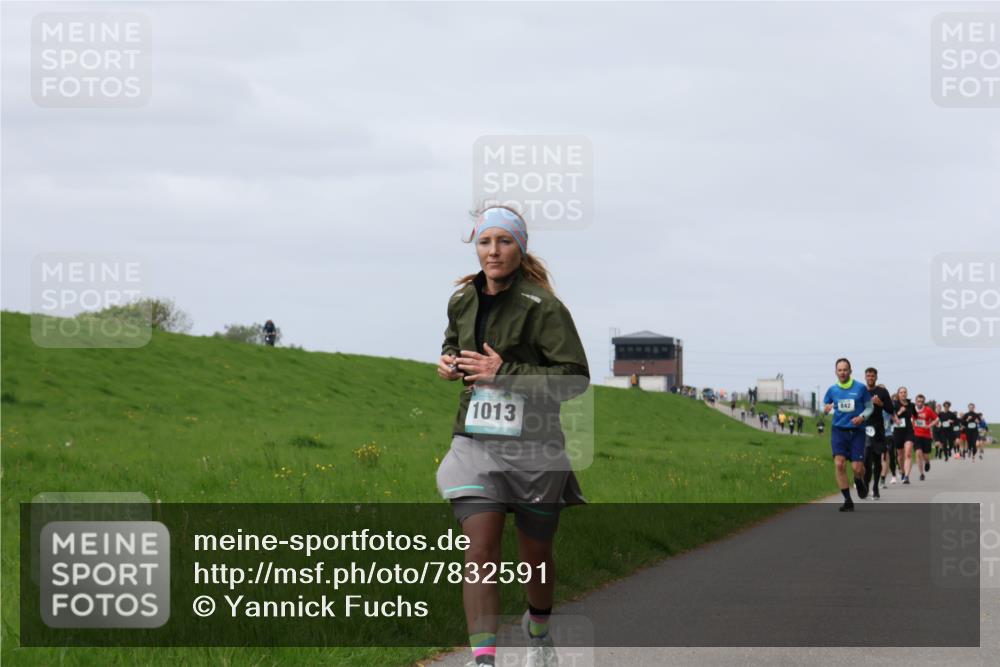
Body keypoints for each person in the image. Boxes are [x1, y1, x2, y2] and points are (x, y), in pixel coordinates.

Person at [436, 206, 589, 667]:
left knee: (535, 556)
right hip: (476, 440)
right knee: (479, 548)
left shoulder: (545, 308)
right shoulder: (462, 300)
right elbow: (453, 342)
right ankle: (483, 659)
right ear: (475, 246)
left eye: (504, 241)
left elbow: (574, 379)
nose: (493, 251)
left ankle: (538, 631)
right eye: (485, 241)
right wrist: (447, 361)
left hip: (535, 446)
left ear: (521, 248)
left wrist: (506, 374)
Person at [822, 358, 873, 512]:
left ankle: (859, 479)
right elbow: (825, 405)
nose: (842, 372)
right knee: (839, 464)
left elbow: (870, 408)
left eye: (845, 370)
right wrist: (826, 408)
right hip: (838, 431)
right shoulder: (832, 390)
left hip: (857, 431)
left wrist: (862, 417)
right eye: (840, 370)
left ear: (850, 371)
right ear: (836, 372)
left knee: (857, 468)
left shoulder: (860, 388)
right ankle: (847, 500)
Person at [861, 368, 896, 500]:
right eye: (868, 376)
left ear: (876, 377)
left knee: (876, 458)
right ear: (865, 377)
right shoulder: (861, 391)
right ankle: (865, 484)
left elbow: (891, 409)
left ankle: (875, 487)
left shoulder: (882, 391)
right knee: (866, 458)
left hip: (878, 428)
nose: (870, 378)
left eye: (872, 376)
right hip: (864, 427)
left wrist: (880, 403)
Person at [892, 388, 918, 484]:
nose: (903, 394)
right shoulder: (894, 404)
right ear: (898, 394)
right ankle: (902, 471)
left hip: (909, 431)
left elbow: (915, 416)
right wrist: (899, 412)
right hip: (898, 432)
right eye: (901, 392)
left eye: (905, 392)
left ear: (907, 394)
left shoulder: (911, 405)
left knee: (908, 454)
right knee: (900, 455)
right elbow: (891, 418)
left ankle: (906, 476)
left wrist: (914, 423)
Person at [911, 394, 939, 481]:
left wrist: (930, 425)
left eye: (922, 402)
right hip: (916, 435)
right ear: (915, 401)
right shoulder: (912, 410)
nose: (920, 403)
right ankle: (921, 473)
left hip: (926, 435)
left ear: (924, 402)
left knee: (925, 456)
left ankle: (927, 462)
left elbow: (937, 419)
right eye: (918, 401)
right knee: (918, 453)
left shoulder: (928, 410)